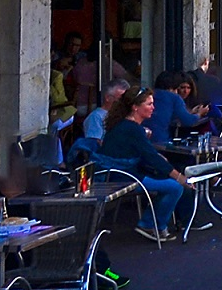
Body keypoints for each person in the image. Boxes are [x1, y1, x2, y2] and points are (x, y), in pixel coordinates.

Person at [94, 88, 192, 240]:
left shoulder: (125, 125)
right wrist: (179, 177)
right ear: (135, 107)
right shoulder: (133, 129)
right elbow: (151, 157)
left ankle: (155, 224)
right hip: (123, 176)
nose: (153, 107)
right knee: (175, 187)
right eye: (149, 104)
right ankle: (151, 224)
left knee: (169, 179)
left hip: (119, 172)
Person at [142, 72, 204, 146]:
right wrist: (199, 114)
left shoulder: (147, 95)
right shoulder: (174, 98)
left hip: (142, 139)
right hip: (161, 141)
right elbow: (188, 121)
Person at [78, 80, 130, 157]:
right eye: (121, 99)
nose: (124, 103)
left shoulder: (124, 115)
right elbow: (95, 146)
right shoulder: (96, 117)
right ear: (108, 98)